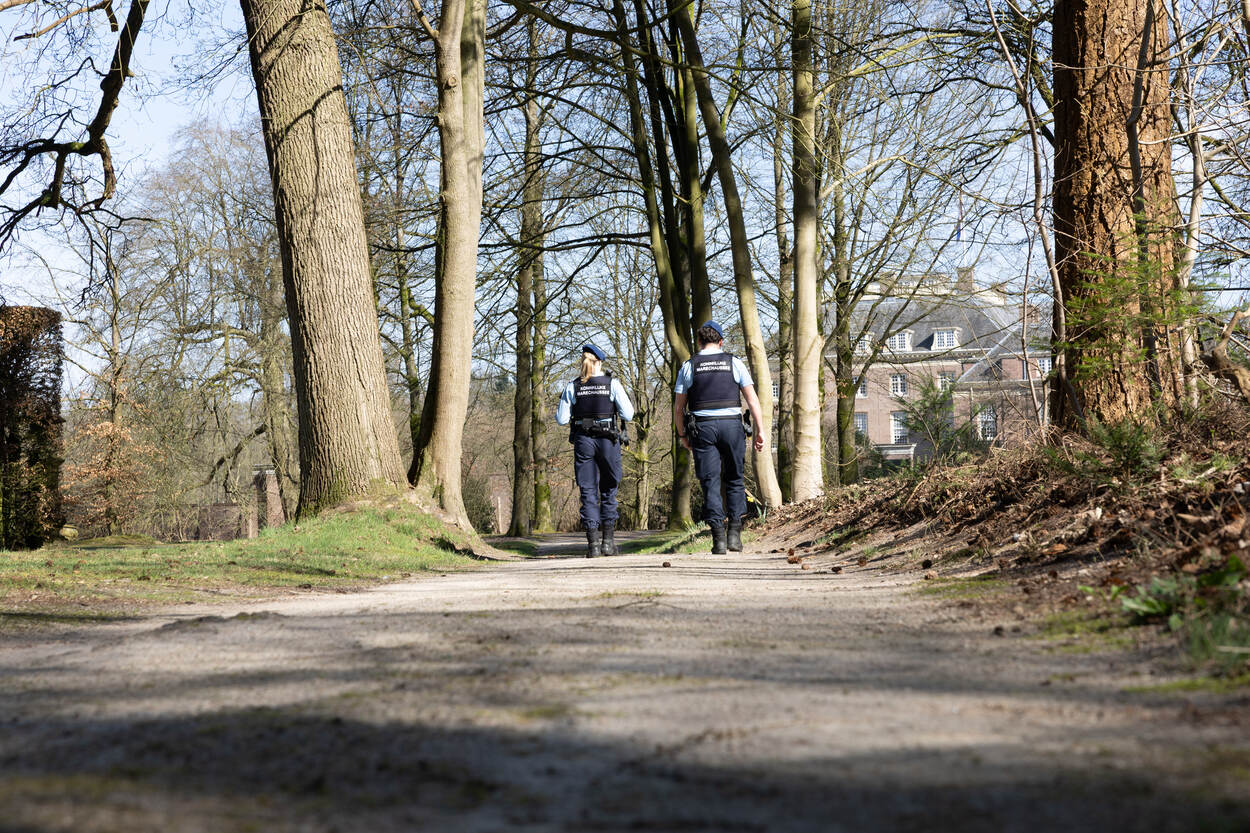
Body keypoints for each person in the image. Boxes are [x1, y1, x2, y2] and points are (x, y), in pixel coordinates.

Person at [673, 320, 765, 554]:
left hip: (702, 429)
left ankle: (718, 540)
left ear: (699, 342)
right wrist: (760, 430)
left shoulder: (689, 366)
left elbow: (678, 408)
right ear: (721, 342)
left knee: (710, 482)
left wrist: (683, 434)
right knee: (735, 478)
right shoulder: (734, 362)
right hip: (732, 426)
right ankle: (734, 535)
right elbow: (753, 400)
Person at [555, 343, 635, 557]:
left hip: (584, 441)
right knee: (609, 489)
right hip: (608, 440)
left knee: (588, 491)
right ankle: (608, 543)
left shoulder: (573, 386)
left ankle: (593, 547)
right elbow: (628, 414)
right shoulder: (612, 384)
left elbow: (562, 419)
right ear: (599, 362)